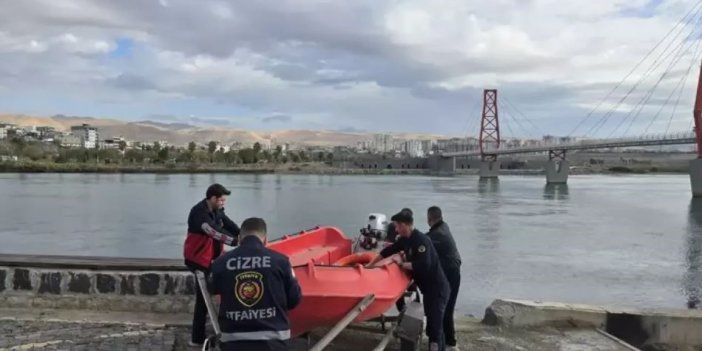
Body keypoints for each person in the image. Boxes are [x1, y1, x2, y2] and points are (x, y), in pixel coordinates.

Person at [210, 217, 302, 351]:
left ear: (240, 239)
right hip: (274, 343)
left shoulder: (220, 263)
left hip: (233, 343)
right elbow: (294, 300)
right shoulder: (281, 262)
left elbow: (212, 288)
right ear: (265, 240)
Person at [367, 210, 450, 351]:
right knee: (433, 325)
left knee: (435, 327)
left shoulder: (421, 241)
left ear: (406, 225)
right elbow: (389, 250)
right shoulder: (406, 240)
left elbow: (424, 265)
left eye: (398, 226)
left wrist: (401, 264)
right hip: (428, 290)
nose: (396, 230)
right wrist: (370, 265)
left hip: (437, 290)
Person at [183, 183, 241, 347]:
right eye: (221, 200)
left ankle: (221, 327)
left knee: (217, 291)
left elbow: (227, 224)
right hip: (198, 261)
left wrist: (244, 234)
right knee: (202, 300)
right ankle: (197, 339)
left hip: (212, 259)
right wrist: (236, 241)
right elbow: (213, 231)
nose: (224, 203)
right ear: (213, 198)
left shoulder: (217, 210)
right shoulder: (199, 213)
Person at [426, 206, 462, 351]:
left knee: (445, 309)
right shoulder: (443, 228)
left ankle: (450, 344)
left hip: (451, 275)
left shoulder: (439, 234)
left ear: (430, 218)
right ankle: (448, 342)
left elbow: (424, 241)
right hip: (452, 272)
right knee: (446, 308)